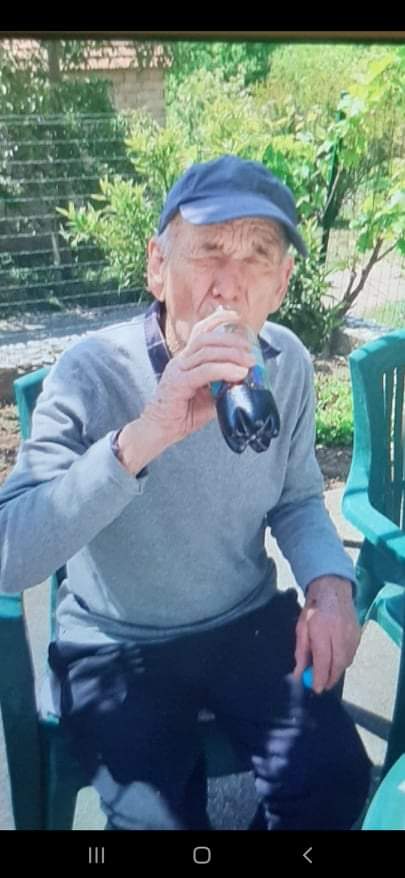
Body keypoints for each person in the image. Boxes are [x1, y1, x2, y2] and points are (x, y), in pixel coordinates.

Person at [0, 155, 370, 831]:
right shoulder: (90, 374)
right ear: (157, 267)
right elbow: (11, 554)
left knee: (335, 780)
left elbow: (295, 498)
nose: (228, 283)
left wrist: (329, 587)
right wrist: (146, 434)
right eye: (208, 250)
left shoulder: (283, 363)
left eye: (257, 255)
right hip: (116, 639)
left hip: (243, 618)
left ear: (282, 283)